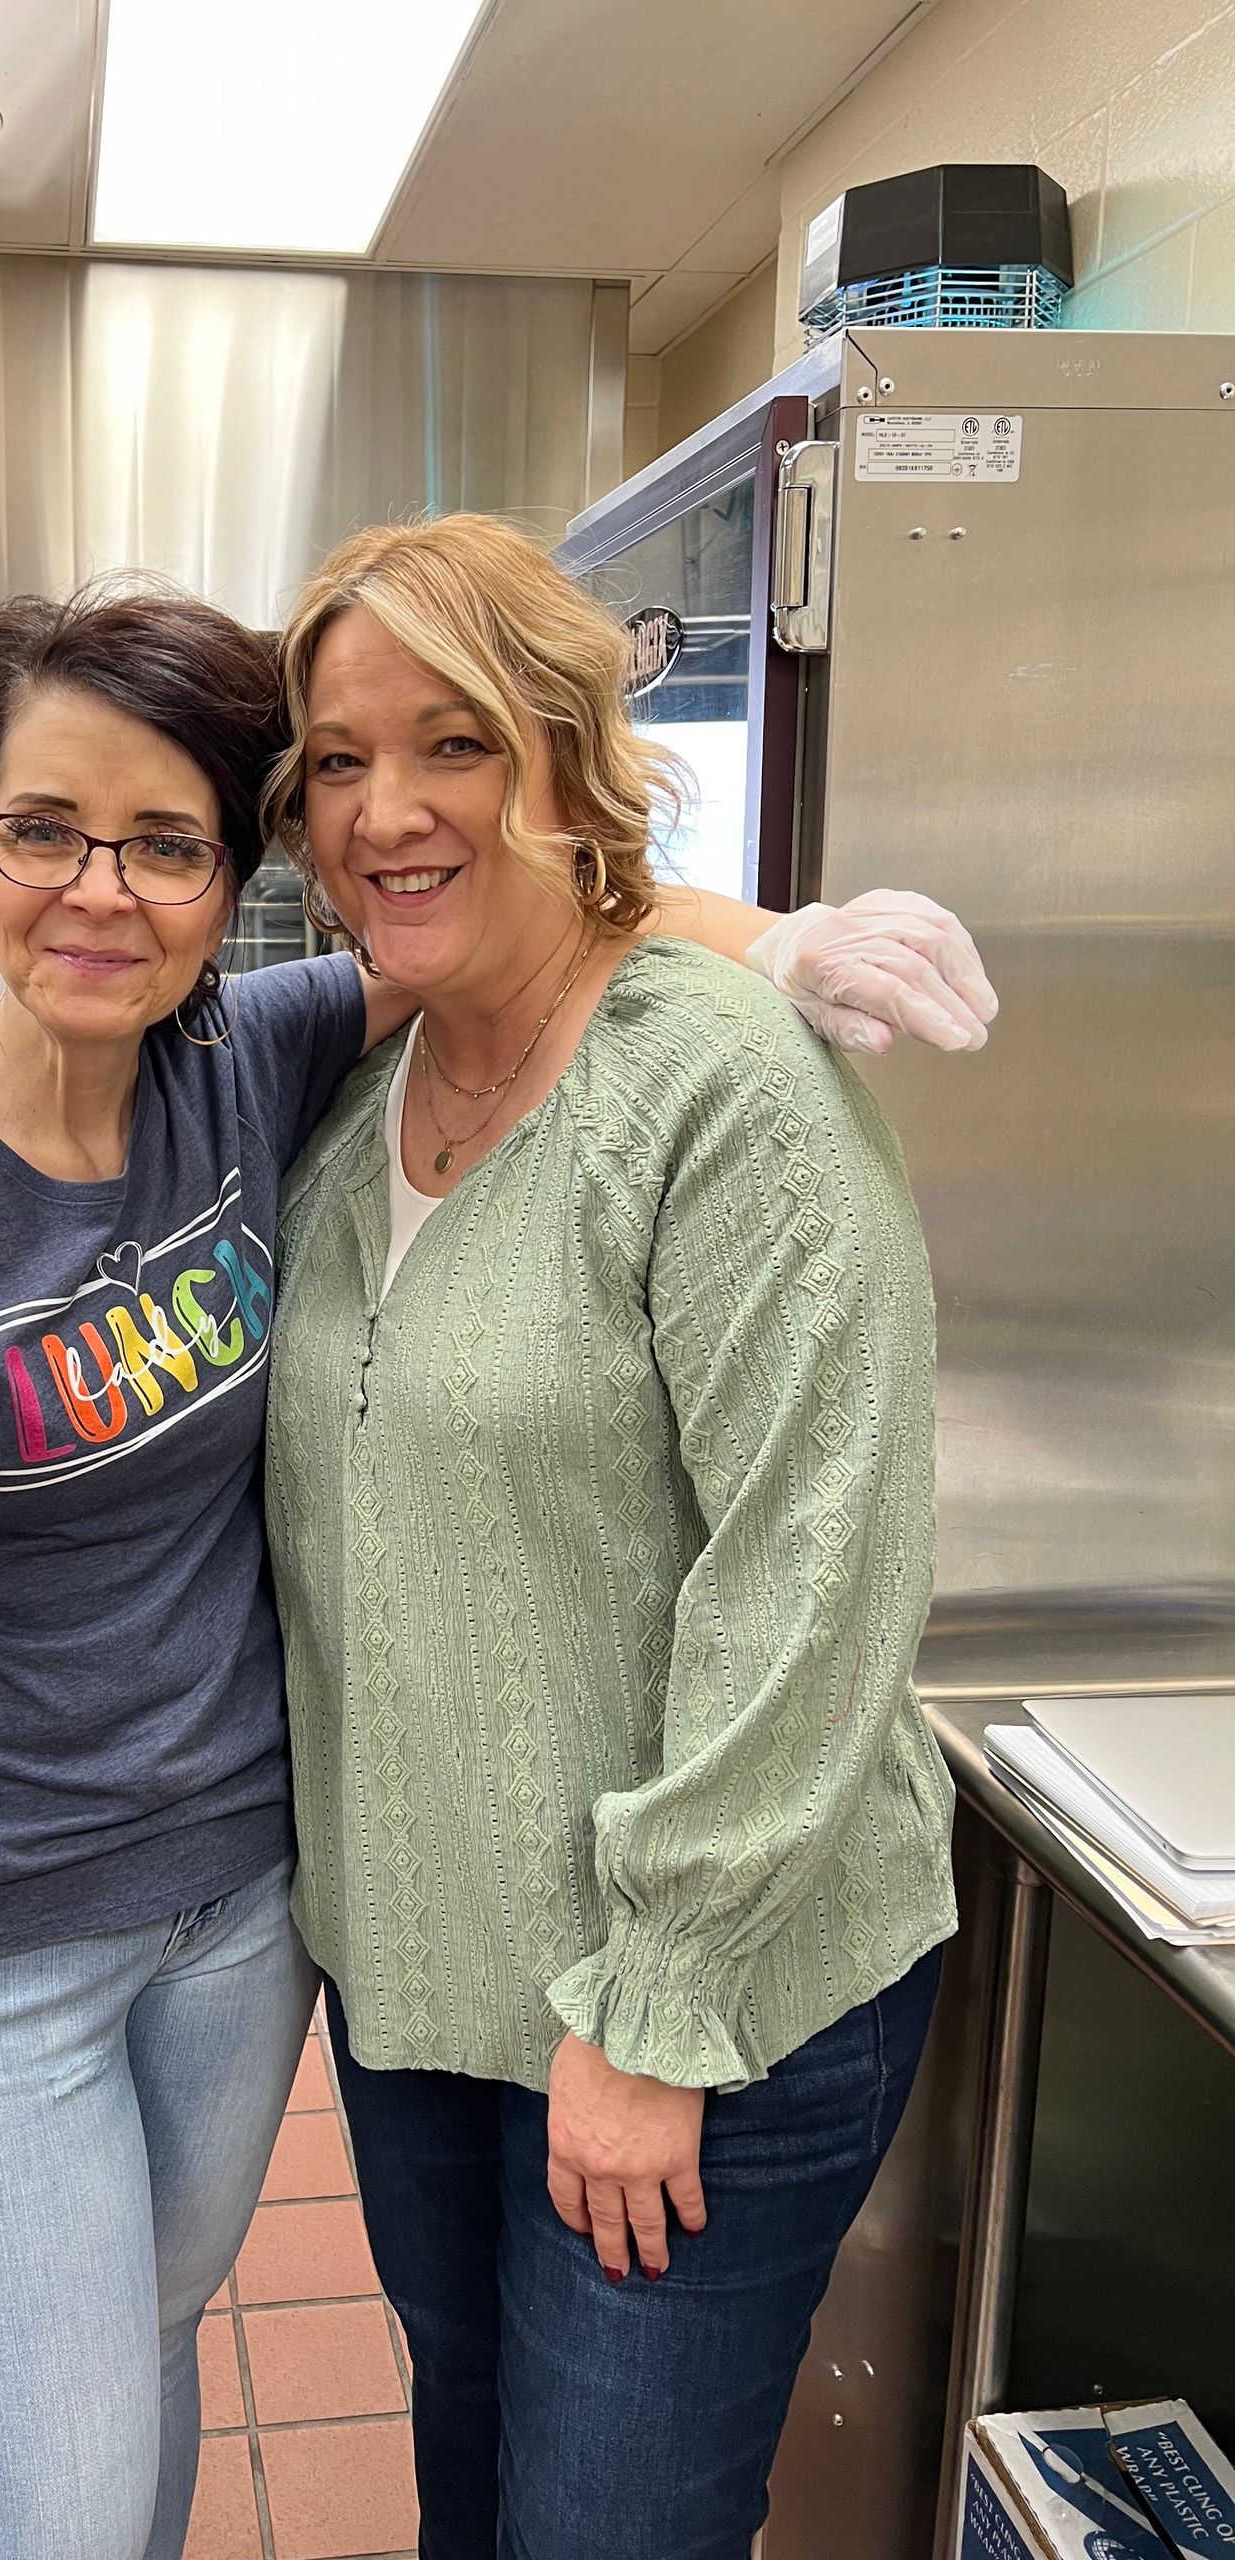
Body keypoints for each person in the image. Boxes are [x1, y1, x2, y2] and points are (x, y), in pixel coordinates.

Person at [0, 579, 989, 2560]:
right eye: (43, 828)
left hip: (232, 1922)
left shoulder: (255, 1065)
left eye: (167, 843)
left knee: (115, 2408)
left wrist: (781, 933)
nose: (99, 893)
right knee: (42, 2510)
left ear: (237, 876)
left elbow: (537, 909)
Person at [262, 514, 960, 2560]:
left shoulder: (727, 1090)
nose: (385, 809)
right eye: (335, 759)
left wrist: (659, 2009)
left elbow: (814, 1569)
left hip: (698, 2007)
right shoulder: (357, 1078)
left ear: (569, 755)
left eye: (453, 741)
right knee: (474, 2486)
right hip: (429, 1979)